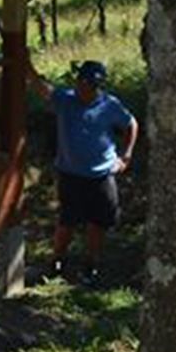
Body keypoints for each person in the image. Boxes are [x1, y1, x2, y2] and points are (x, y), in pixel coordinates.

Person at [26, 58, 137, 286]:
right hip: (71, 174)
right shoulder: (65, 100)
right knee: (67, 221)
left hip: (101, 175)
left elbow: (131, 124)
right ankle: (57, 261)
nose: (83, 87)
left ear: (98, 86)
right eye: (81, 82)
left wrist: (126, 156)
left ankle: (91, 264)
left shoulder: (109, 105)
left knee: (98, 222)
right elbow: (40, 87)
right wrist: (25, 63)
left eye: (90, 84)